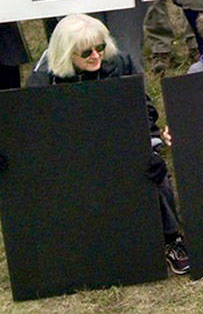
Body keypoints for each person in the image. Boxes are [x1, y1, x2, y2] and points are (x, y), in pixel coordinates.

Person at [26, 14, 190, 275]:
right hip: (70, 150)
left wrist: (149, 143)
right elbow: (34, 129)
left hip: (119, 141)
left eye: (100, 47)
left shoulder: (120, 61)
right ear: (67, 53)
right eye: (86, 52)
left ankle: (172, 239)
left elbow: (143, 107)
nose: (95, 56)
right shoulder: (43, 79)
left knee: (155, 171)